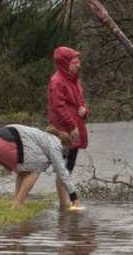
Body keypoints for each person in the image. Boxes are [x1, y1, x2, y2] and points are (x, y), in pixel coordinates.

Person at [0, 124, 83, 211]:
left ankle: (16, 201)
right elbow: (62, 171)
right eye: (65, 152)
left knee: (24, 170)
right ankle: (17, 204)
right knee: (36, 168)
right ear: (64, 144)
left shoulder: (42, 137)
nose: (63, 155)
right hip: (1, 143)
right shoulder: (56, 144)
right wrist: (74, 198)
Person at [47, 46, 88, 174]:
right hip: (64, 131)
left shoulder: (75, 80)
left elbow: (82, 102)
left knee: (68, 168)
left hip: (75, 129)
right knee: (63, 169)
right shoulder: (57, 81)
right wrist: (71, 126)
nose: (78, 65)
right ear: (65, 63)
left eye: (78, 61)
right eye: (75, 62)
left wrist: (85, 111)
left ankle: (69, 194)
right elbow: (58, 107)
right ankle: (68, 194)